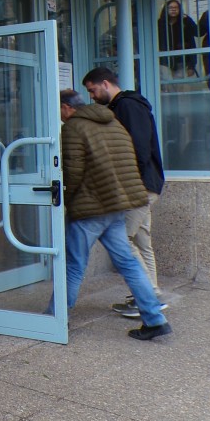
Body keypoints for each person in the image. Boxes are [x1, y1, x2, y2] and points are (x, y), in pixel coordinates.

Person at [57, 90, 171, 340]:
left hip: (91, 208)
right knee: (129, 262)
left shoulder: (73, 128)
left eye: (59, 109)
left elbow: (72, 171)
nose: (59, 115)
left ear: (66, 108)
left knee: (74, 265)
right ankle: (154, 319)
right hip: (118, 205)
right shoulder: (113, 122)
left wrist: (64, 198)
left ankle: (55, 319)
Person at [81, 67, 168, 316]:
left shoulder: (128, 106)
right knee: (141, 241)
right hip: (144, 185)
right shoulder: (124, 106)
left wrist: (127, 183)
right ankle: (151, 294)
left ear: (106, 84)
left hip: (138, 187)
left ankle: (148, 298)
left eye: (93, 90)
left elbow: (138, 148)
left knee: (123, 241)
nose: (92, 96)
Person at [157, 0, 199, 80]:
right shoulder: (160, 24)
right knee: (168, 87)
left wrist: (191, 66)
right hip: (164, 61)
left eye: (176, 7)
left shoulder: (185, 22)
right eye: (170, 7)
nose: (173, 9)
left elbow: (196, 34)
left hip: (182, 61)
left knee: (181, 88)